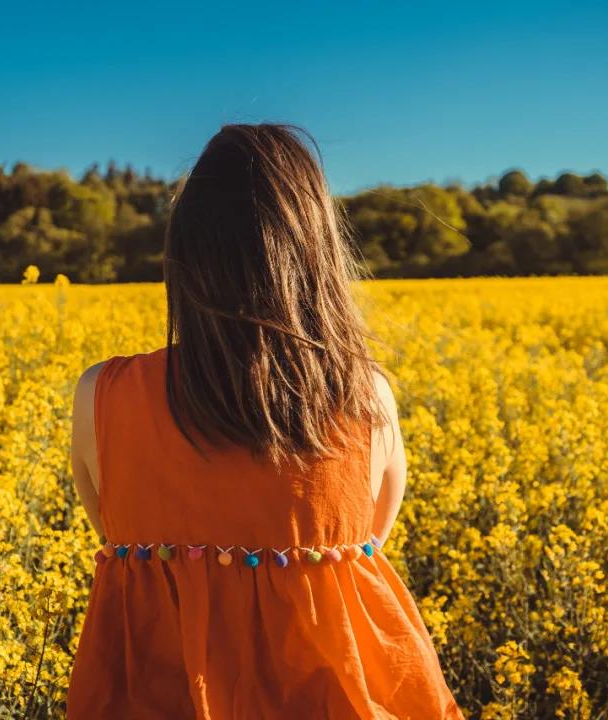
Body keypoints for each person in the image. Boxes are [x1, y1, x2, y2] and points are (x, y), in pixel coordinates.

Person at [66, 123, 464, 719]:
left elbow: (111, 524)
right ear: (319, 255)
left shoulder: (103, 396)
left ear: (184, 256)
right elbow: (369, 538)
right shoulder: (369, 400)